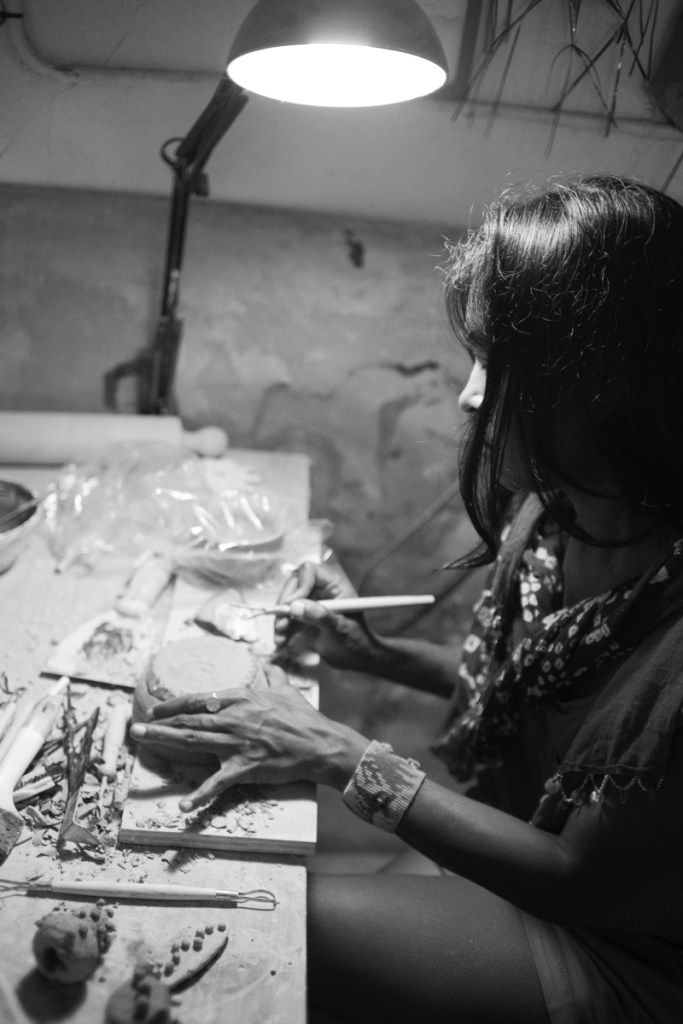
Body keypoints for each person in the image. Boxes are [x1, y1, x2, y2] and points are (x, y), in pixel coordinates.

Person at [130, 174, 683, 1024]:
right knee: (270, 898)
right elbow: (528, 689)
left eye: (501, 364)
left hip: (621, 942)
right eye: (474, 357)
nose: (469, 394)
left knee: (266, 928)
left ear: (610, 380)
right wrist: (374, 655)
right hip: (521, 837)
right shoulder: (560, 507)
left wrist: (339, 752)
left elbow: (576, 877)